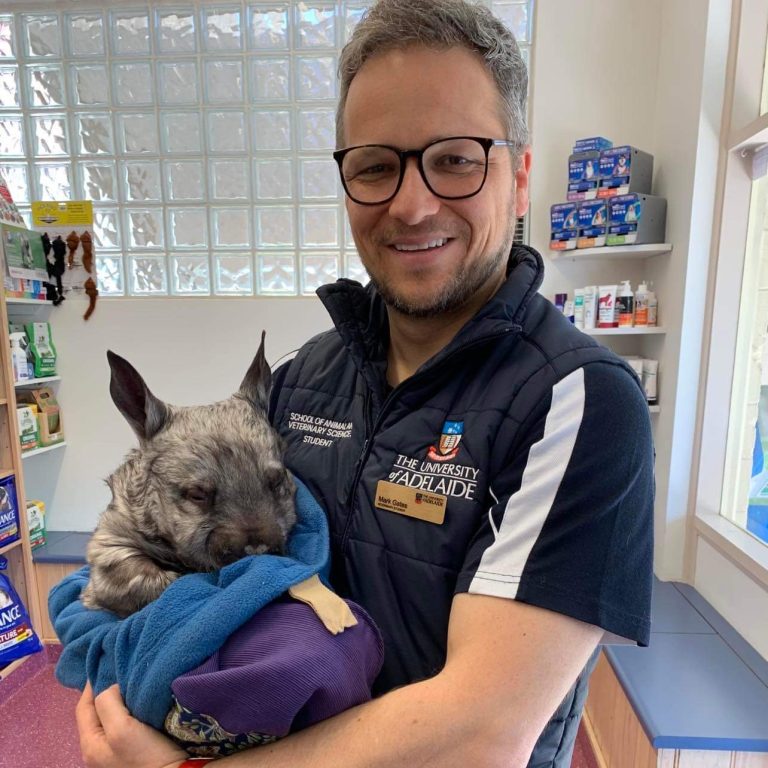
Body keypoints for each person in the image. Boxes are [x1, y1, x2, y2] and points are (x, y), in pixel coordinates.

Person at [75, 1, 654, 766]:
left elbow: (478, 738)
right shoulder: (301, 381)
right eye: (377, 166)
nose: (412, 206)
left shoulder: (575, 403)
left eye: (455, 158)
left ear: (517, 171)